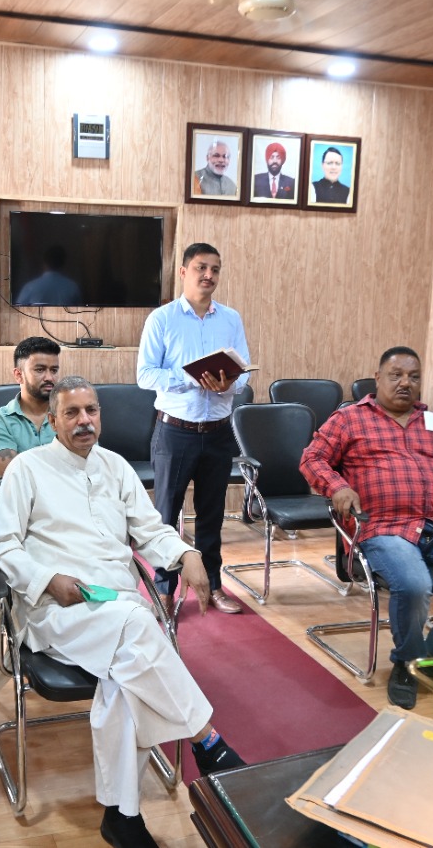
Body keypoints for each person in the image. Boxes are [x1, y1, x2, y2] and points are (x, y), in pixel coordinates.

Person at [0, 376, 245, 848]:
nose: (84, 421)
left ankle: (122, 816)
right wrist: (48, 580)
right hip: (57, 608)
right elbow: (0, 545)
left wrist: (186, 553)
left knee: (125, 677)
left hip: (117, 604)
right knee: (139, 626)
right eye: (72, 413)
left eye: (91, 411)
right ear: (52, 421)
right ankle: (208, 742)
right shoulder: (27, 469)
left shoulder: (117, 467)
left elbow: (150, 530)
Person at [299, 347, 433, 710]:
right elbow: (311, 458)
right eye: (396, 375)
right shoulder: (349, 418)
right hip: (382, 526)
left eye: (414, 377)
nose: (405, 383)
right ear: (377, 378)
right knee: (414, 584)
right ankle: (407, 662)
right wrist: (338, 487)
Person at [138, 242, 251, 617]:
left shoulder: (230, 319)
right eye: (201, 267)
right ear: (184, 271)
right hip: (175, 432)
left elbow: (243, 374)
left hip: (218, 430)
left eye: (215, 269)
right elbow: (145, 375)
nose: (209, 275)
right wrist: (191, 378)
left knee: (211, 515)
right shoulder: (162, 319)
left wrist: (229, 383)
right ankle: (164, 589)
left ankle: (213, 585)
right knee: (166, 516)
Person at [0, 336, 60, 478]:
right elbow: (13, 477)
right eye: (40, 370)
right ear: (18, 375)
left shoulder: (72, 417)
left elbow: (90, 466)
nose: (49, 377)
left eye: (54, 370)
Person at [14, 245, 83, 306]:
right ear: (63, 263)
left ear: (44, 263)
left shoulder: (30, 287)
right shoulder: (73, 287)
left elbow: (18, 311)